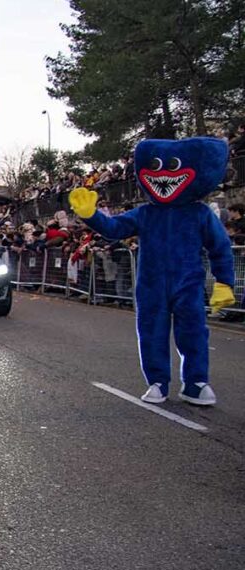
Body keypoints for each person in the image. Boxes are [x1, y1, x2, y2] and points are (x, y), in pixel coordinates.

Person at [70, 137, 235, 405]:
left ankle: (195, 382)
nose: (164, 174)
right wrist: (92, 216)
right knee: (151, 333)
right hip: (151, 284)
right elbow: (115, 229)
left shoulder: (200, 214)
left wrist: (224, 282)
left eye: (172, 166)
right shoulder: (145, 213)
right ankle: (157, 382)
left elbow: (220, 247)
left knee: (193, 332)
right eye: (156, 166)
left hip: (188, 284)